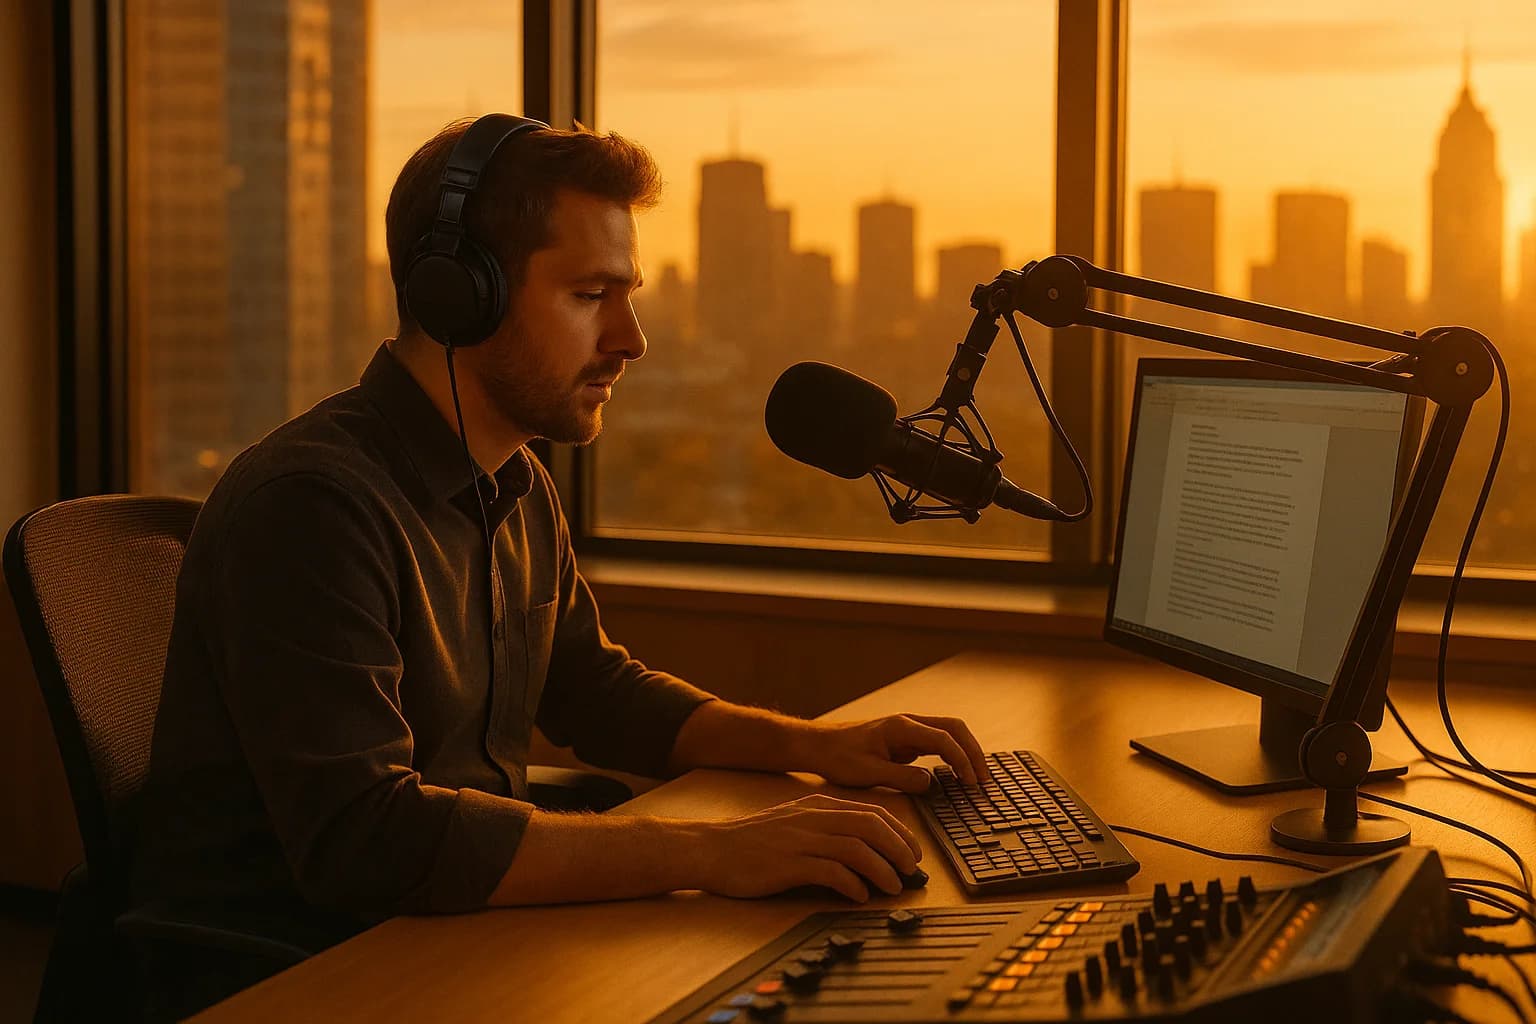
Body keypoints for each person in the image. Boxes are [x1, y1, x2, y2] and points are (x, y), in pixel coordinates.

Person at [133, 115, 987, 1008]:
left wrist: (815, 746)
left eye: (629, 294)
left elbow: (594, 689)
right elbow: (366, 840)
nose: (632, 338)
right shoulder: (312, 505)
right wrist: (712, 853)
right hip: (303, 973)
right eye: (591, 296)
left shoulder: (515, 481)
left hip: (460, 929)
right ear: (459, 295)